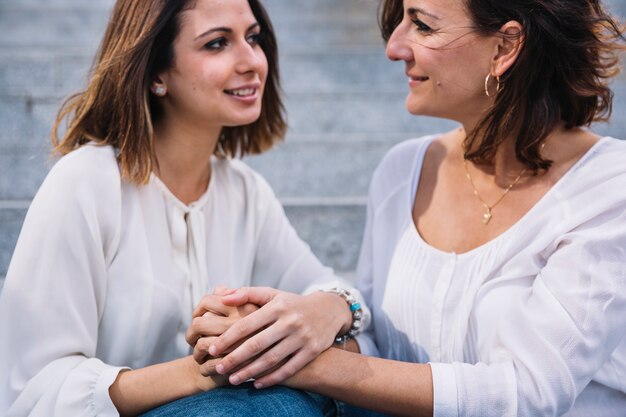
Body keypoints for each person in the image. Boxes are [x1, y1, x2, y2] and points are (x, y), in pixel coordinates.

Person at [192, 0, 626, 416]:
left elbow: (527, 393)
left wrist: (305, 364)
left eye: (421, 24)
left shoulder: (609, 188)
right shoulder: (404, 169)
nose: (393, 47)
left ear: (505, 47)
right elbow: (382, 345)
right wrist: (276, 332)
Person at [0, 0, 370, 415]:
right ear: (157, 74)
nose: (251, 61)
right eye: (217, 44)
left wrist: (328, 309)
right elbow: (35, 390)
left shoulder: (245, 191)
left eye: (253, 38)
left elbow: (330, 291)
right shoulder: (85, 183)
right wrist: (211, 366)